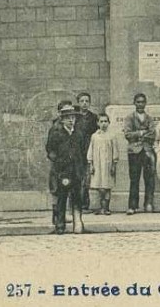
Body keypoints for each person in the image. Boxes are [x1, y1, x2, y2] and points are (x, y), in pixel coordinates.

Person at [46, 104, 85, 234]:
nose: (70, 120)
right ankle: (60, 224)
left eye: (73, 117)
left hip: (76, 171)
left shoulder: (78, 134)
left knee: (77, 197)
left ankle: (78, 222)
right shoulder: (57, 133)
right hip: (63, 172)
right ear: (62, 120)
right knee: (62, 198)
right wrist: (58, 163)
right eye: (67, 118)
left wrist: (81, 167)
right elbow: (50, 151)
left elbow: (83, 151)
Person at [122, 93, 157, 214]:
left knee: (149, 179)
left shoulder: (150, 118)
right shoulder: (129, 118)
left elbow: (153, 134)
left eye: (142, 102)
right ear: (134, 103)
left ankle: (148, 204)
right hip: (134, 152)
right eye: (138, 102)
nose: (140, 104)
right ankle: (132, 206)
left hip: (147, 150)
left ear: (145, 103)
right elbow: (127, 134)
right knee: (134, 179)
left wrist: (137, 134)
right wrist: (142, 133)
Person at [86, 113, 119, 215]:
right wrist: (91, 164)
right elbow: (90, 150)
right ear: (97, 123)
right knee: (100, 187)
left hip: (108, 165)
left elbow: (115, 151)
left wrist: (114, 165)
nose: (104, 124)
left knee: (107, 186)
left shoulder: (112, 136)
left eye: (105, 121)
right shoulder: (94, 136)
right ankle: (102, 207)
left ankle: (106, 208)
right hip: (97, 165)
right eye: (101, 121)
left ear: (109, 123)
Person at [74, 92, 99, 212]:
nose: (84, 103)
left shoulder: (94, 118)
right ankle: (74, 204)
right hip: (76, 150)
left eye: (87, 101)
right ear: (78, 102)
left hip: (88, 149)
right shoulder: (74, 116)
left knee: (86, 178)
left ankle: (84, 203)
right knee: (75, 177)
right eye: (82, 101)